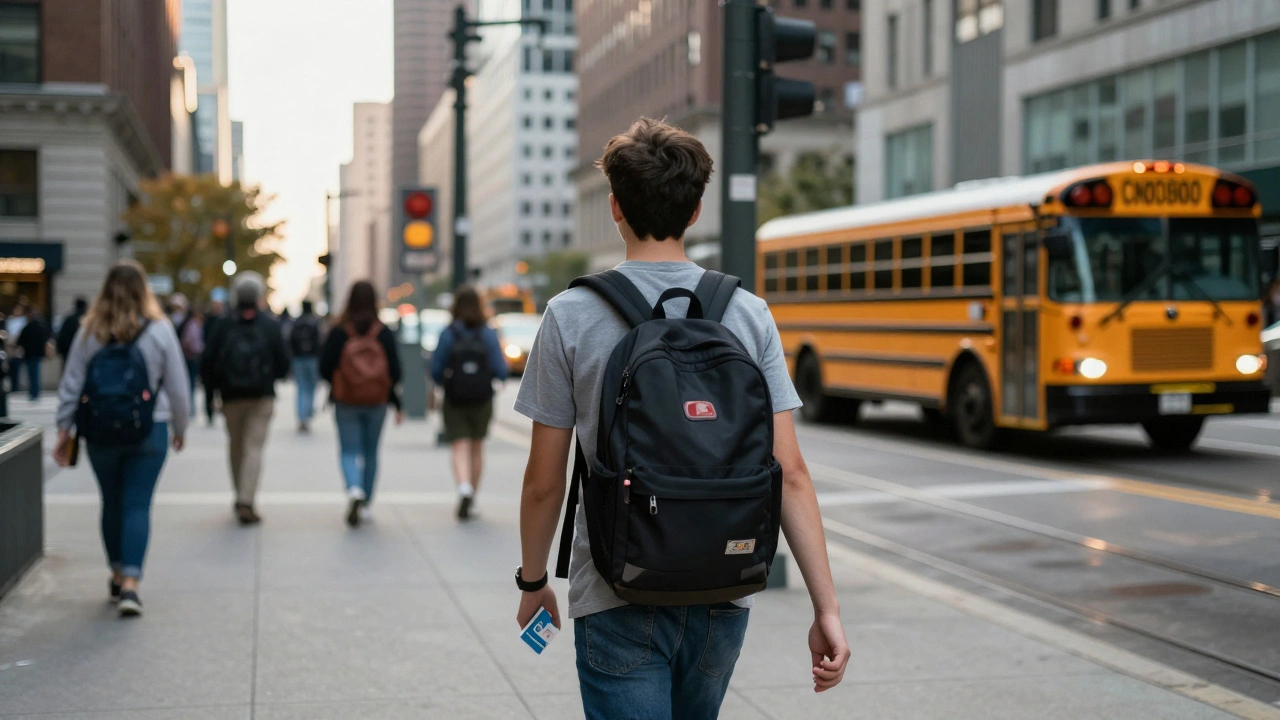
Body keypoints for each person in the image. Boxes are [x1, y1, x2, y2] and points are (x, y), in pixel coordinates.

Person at [513, 118, 849, 718]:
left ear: (614, 206)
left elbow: (544, 481)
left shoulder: (570, 314)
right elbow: (790, 472)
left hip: (617, 588)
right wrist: (826, 609)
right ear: (695, 212)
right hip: (724, 587)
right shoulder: (747, 314)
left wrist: (533, 581)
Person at [53, 260, 190, 617]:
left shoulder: (90, 331)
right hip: (150, 427)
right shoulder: (160, 330)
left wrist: (64, 428)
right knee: (137, 504)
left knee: (111, 502)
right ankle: (131, 583)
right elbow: (178, 386)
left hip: (99, 430)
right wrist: (180, 427)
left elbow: (71, 384)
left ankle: (115, 572)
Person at [202, 272, 290, 525]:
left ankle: (239, 494)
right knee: (254, 448)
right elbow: (283, 364)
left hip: (230, 396)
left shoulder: (223, 324)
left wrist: (210, 395)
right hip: (261, 396)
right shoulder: (269, 325)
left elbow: (208, 363)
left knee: (236, 446)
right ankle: (246, 499)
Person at [320, 283, 403, 527]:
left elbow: (324, 367)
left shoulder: (339, 332)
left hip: (346, 401)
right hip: (377, 401)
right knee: (371, 452)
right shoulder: (383, 332)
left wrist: (341, 383)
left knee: (348, 450)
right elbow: (396, 371)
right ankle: (365, 503)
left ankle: (353, 489)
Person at [431, 286, 509, 520]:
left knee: (459, 445)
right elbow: (501, 369)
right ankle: (472, 496)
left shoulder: (449, 333)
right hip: (482, 397)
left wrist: (441, 384)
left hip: (455, 397)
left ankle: (463, 487)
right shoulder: (487, 333)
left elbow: (436, 368)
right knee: (477, 446)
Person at [290, 300, 324, 433]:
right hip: (312, 359)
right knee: (311, 388)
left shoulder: (297, 322)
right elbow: (319, 342)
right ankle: (307, 414)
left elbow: (290, 341)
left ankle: (302, 417)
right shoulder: (314, 322)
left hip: (298, 359)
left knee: (301, 388)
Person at [201, 296, 227, 425]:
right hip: (210, 362)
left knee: (214, 390)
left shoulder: (222, 322)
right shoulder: (210, 321)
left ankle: (214, 410)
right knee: (209, 391)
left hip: (216, 361)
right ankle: (210, 412)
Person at [16, 306, 50, 401]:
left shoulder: (29, 325)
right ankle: (35, 392)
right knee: (35, 374)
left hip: (30, 353)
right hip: (37, 353)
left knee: (32, 374)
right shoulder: (40, 324)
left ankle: (34, 393)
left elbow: (21, 340)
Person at [56, 297, 88, 373]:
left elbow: (62, 335)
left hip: (67, 351)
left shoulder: (69, 319)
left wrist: (60, 349)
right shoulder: (87, 320)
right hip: (82, 352)